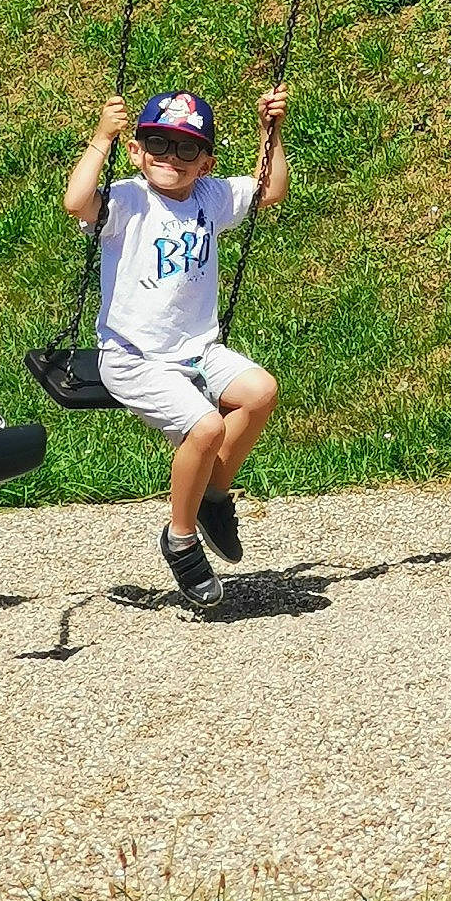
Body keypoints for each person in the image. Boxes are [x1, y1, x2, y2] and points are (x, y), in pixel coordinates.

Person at [63, 86, 289, 606]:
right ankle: (181, 539)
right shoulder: (127, 200)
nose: (172, 158)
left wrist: (269, 133)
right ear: (136, 151)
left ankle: (211, 494)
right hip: (133, 358)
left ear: (206, 162)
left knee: (259, 392)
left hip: (196, 349)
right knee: (206, 426)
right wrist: (101, 136)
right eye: (158, 145)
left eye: (188, 149)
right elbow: (77, 200)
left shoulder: (210, 197)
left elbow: (269, 190)